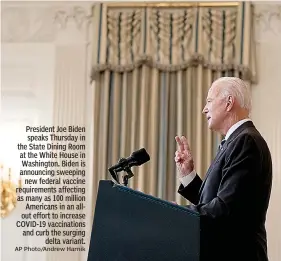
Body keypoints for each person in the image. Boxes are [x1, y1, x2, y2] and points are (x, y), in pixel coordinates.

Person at [175, 77, 272, 261]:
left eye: (209, 101)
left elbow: (225, 209)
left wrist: (177, 215)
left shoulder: (246, 141)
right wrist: (188, 175)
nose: (204, 109)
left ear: (229, 103)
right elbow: (217, 202)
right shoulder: (237, 140)